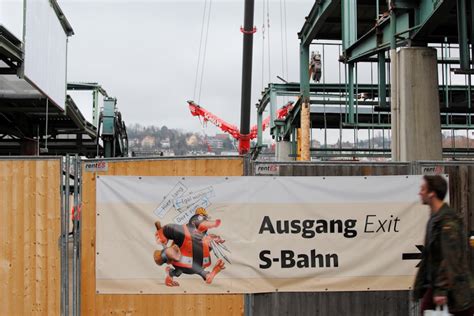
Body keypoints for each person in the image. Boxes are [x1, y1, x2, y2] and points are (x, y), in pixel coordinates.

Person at [413, 175, 474, 315]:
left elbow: (450, 258)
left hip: (456, 292)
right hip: (439, 286)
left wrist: (441, 290)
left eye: (423, 189)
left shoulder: (447, 221)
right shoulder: (435, 219)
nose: (419, 192)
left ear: (432, 193)